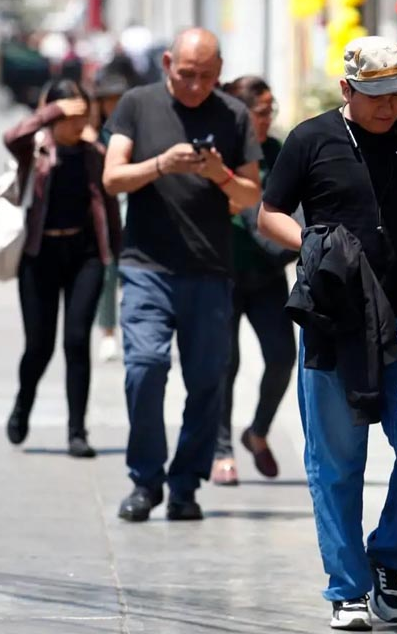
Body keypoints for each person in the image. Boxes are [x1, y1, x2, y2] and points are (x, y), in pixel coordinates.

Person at [258, 36, 397, 631]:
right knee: (336, 460)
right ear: (348, 89)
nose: (388, 106)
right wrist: (309, 243)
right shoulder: (311, 139)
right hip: (337, 321)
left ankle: (390, 559)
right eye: (375, 94)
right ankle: (347, 589)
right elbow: (269, 212)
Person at [102, 28, 262, 523]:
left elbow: (251, 196)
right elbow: (112, 177)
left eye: (207, 77)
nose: (195, 86)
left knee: (207, 381)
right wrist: (161, 164)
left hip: (209, 269)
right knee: (144, 368)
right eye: (186, 74)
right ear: (168, 62)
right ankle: (145, 480)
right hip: (148, 266)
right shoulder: (138, 103)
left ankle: (185, 484)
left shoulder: (233, 115)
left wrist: (218, 174)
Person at [3, 79, 121, 459]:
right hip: (40, 256)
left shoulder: (94, 154)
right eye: (69, 115)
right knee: (39, 346)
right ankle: (24, 403)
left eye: (82, 114)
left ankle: (77, 431)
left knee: (75, 341)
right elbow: (11, 136)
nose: (78, 123)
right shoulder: (34, 151)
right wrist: (52, 111)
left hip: (84, 254)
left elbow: (111, 209)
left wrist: (116, 256)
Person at [210, 76, 297, 487]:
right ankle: (222, 448)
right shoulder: (219, 153)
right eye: (263, 112)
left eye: (271, 111)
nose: (269, 120)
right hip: (221, 274)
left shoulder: (277, 151)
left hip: (266, 275)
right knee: (226, 362)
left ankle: (257, 431)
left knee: (282, 356)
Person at [91, 69, 131, 364]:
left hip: (133, 208)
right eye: (110, 100)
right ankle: (107, 332)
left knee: (133, 274)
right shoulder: (93, 133)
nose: (114, 106)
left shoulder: (136, 127)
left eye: (120, 100)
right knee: (109, 272)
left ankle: (132, 328)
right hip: (104, 211)